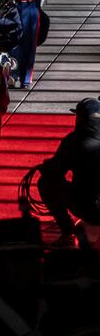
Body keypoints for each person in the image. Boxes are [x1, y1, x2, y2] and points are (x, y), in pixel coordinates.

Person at [38, 96, 100, 249]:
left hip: (85, 205)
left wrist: (46, 167)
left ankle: (68, 232)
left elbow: (54, 173)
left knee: (46, 184)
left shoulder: (73, 141)